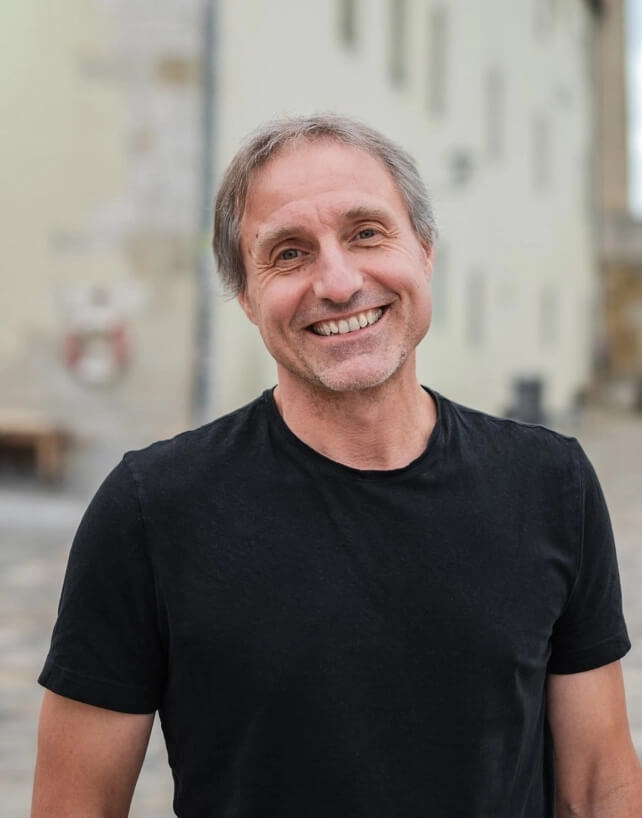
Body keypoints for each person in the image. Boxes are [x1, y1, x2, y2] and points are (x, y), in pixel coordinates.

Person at [32, 115, 641, 818]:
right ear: (246, 296)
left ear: (425, 251)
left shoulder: (550, 484)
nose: (339, 281)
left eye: (367, 233)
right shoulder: (152, 511)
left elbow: (598, 784)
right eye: (288, 253)